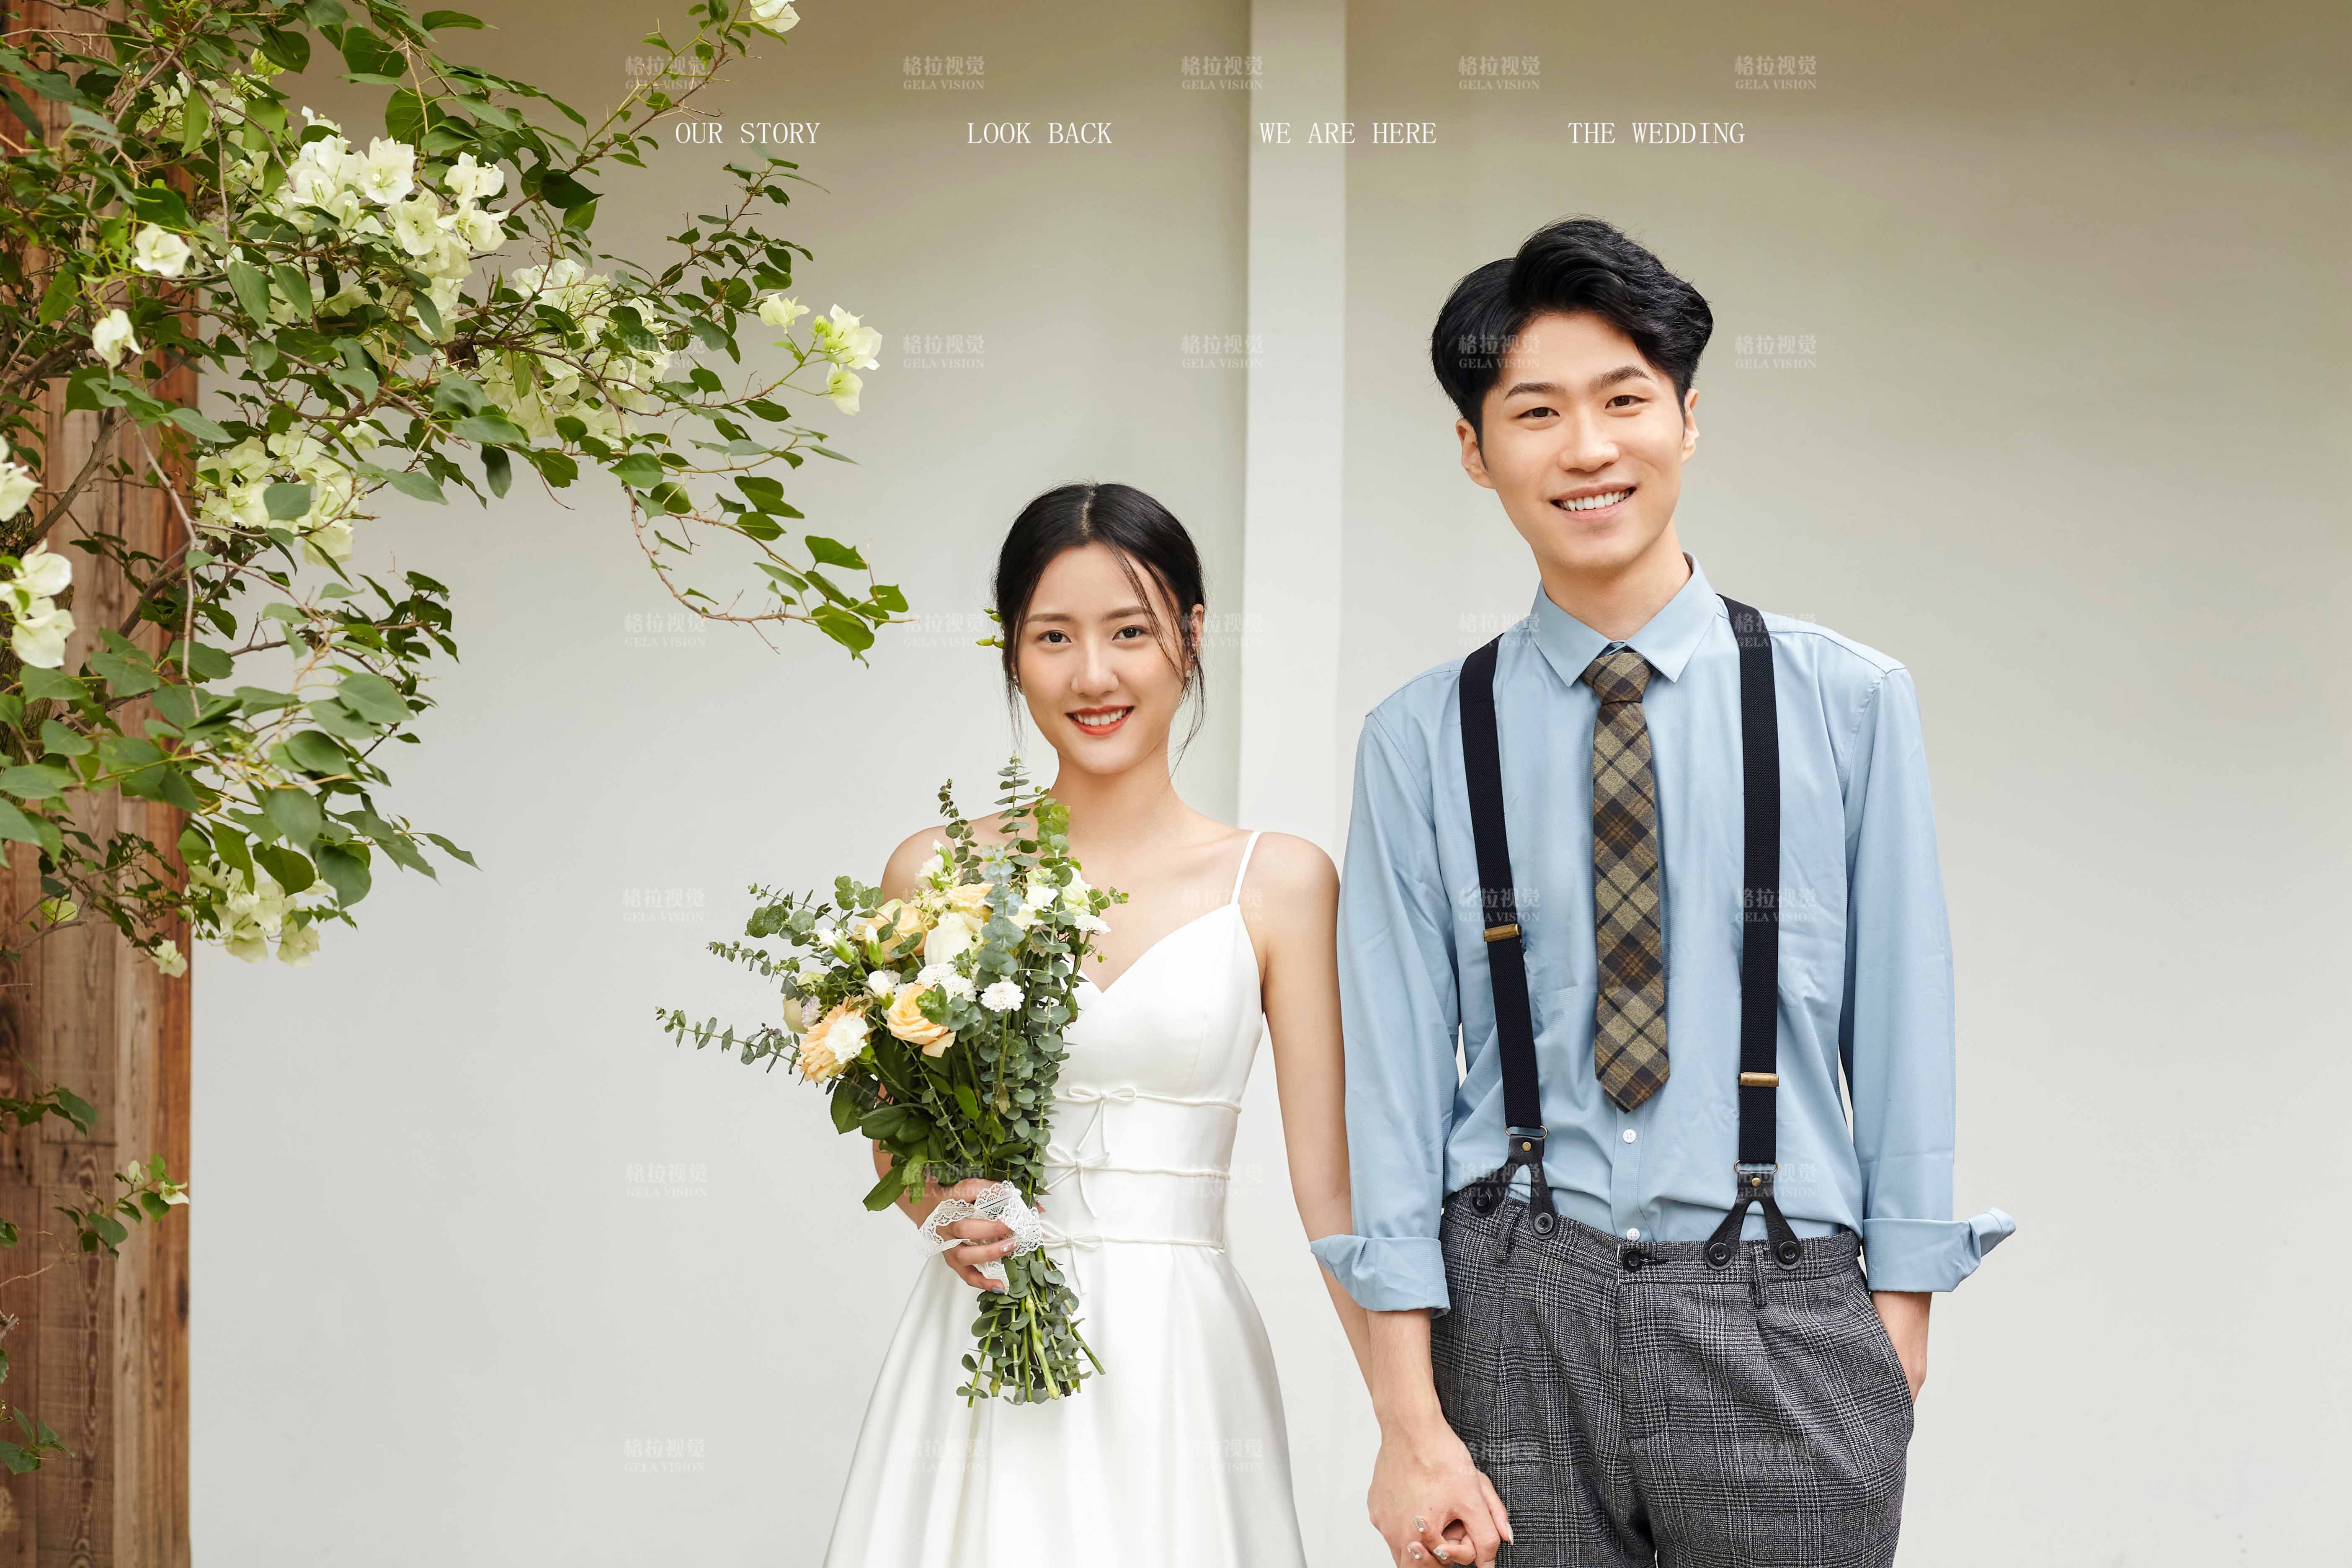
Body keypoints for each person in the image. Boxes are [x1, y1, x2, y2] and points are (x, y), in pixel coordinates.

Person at [1309, 217, 2015, 1568]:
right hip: (1512, 1318)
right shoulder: (1420, 738)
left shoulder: (1847, 701)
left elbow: (1904, 1022)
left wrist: (1898, 1326)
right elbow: (1390, 1095)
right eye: (1536, 412)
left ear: (1688, 420)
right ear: (1475, 450)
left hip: (1785, 1314)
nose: (1587, 448)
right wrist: (1408, 1420)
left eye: (1625, 401)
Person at [823, 482, 1371, 1565]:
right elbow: (892, 1123)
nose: (1093, 675)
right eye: (1053, 637)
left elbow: (1335, 1190)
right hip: (984, 1344)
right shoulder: (935, 871)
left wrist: (1416, 1424)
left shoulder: (1281, 882)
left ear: (1191, 637)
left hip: (1183, 1356)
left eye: (1130, 631)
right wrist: (946, 1208)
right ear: (1011, 652)